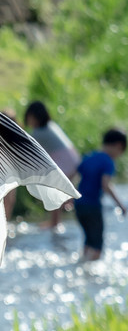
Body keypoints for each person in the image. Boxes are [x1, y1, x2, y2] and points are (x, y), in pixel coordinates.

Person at [22, 101, 80, 232]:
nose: (29, 121)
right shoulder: (51, 126)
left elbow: (26, 147)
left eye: (30, 118)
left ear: (35, 117)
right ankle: (60, 216)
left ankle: (55, 223)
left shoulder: (39, 133)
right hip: (73, 161)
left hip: (66, 163)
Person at [74, 129, 127, 262]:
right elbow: (105, 185)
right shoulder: (108, 161)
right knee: (97, 244)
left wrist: (67, 197)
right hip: (92, 206)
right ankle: (90, 270)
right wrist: (120, 205)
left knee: (88, 239)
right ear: (119, 146)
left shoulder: (89, 156)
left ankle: (83, 263)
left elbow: (73, 176)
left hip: (79, 205)